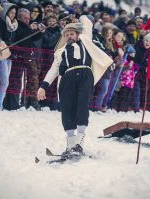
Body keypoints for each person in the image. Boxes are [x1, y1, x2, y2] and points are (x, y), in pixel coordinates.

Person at [37, 15, 112, 157]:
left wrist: (79, 17)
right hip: (67, 79)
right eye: (66, 35)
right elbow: (53, 70)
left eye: (71, 33)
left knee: (82, 107)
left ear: (78, 34)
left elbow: (88, 22)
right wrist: (43, 86)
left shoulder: (85, 41)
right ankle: (70, 145)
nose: (69, 36)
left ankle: (79, 145)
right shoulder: (60, 52)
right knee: (67, 111)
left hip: (85, 76)